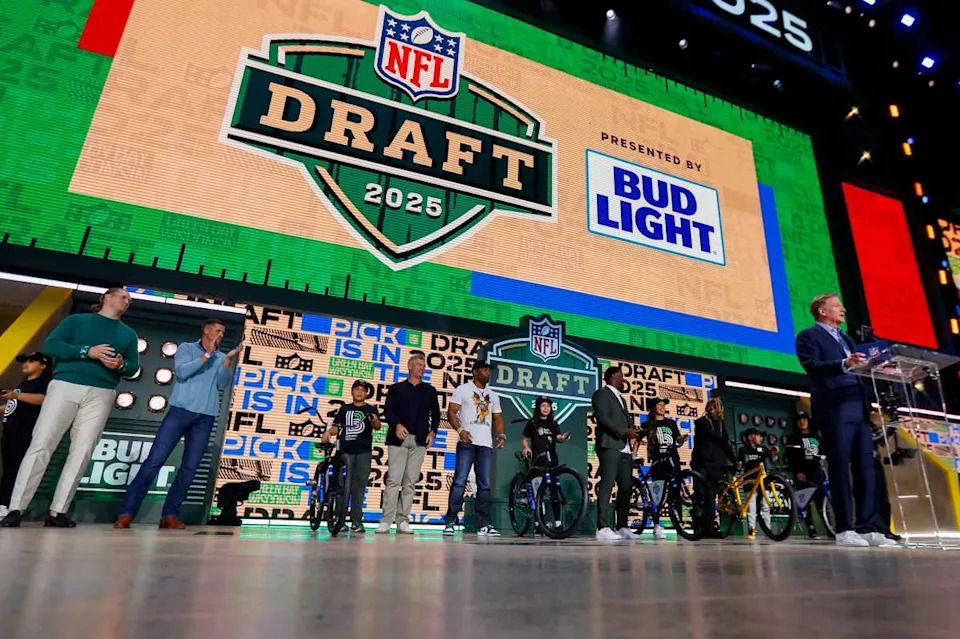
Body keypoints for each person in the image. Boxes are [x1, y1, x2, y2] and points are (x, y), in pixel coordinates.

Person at [1, 287, 139, 528]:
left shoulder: (129, 334)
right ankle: (16, 508)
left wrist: (119, 364)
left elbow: (132, 367)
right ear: (106, 297)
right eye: (123, 296)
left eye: (129, 300)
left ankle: (58, 511)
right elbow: (52, 346)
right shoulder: (77, 321)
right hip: (65, 385)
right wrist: (88, 352)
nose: (127, 301)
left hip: (102, 392)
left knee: (82, 451)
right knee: (42, 444)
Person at [114, 319, 242, 529]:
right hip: (179, 412)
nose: (221, 335)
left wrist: (226, 364)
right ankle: (126, 513)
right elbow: (182, 372)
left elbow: (222, 383)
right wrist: (207, 355)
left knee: (190, 468)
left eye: (224, 332)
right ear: (206, 330)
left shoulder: (221, 357)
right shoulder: (187, 348)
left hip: (205, 417)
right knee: (154, 460)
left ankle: (170, 515)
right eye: (218, 331)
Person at [795, 293, 895, 547]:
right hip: (834, 407)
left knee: (866, 468)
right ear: (822, 311)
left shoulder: (848, 339)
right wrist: (843, 363)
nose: (844, 309)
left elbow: (860, 369)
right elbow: (812, 365)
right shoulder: (808, 336)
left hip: (858, 407)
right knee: (839, 468)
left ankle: (868, 526)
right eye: (837, 306)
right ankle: (844, 529)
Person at [377, 353, 441, 534]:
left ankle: (403, 520)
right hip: (399, 439)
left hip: (419, 440)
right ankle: (386, 520)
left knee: (410, 482)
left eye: (424, 365)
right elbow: (388, 411)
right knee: (393, 480)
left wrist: (433, 431)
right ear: (410, 366)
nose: (422, 368)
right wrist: (396, 425)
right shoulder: (397, 389)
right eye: (419, 364)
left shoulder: (430, 391)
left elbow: (436, 414)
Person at [444, 360, 505, 536]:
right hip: (467, 443)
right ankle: (450, 521)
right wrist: (460, 430)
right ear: (475, 372)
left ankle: (483, 524)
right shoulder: (462, 389)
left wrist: (501, 435)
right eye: (485, 370)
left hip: (485, 444)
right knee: (459, 481)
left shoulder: (493, 395)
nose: (488, 373)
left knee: (484, 485)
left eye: (489, 370)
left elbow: (498, 418)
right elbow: (451, 412)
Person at [321, 379, 380, 533]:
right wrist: (328, 432)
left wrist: (374, 419)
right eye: (357, 389)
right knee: (339, 486)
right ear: (352, 391)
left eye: (363, 390)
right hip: (344, 452)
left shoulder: (370, 408)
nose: (360, 392)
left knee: (358, 488)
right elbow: (336, 427)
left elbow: (377, 426)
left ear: (367, 393)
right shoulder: (344, 409)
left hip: (363, 453)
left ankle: (356, 521)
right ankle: (339, 521)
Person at [0, 353, 53, 519]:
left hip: (24, 434)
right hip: (9, 433)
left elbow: (42, 400)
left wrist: (15, 395)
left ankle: (7, 506)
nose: (26, 364)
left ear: (43, 365)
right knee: (8, 469)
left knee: (15, 470)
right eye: (25, 361)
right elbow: (15, 405)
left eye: (31, 361)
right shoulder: (23, 383)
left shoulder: (44, 382)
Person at [591, 366, 638, 541]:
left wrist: (633, 430)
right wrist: (624, 432)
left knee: (626, 487)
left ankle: (622, 526)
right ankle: (602, 527)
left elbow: (624, 421)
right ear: (611, 377)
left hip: (624, 447)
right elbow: (603, 419)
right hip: (609, 444)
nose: (623, 380)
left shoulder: (622, 399)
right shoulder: (601, 394)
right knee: (607, 484)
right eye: (620, 376)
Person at [521, 396, 571, 530]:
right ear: (538, 408)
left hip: (552, 461)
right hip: (538, 462)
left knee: (554, 493)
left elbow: (558, 437)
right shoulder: (532, 423)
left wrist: (564, 437)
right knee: (538, 494)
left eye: (548, 406)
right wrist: (526, 448)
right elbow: (525, 438)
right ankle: (539, 524)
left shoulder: (553, 424)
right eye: (543, 406)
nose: (546, 408)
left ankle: (558, 523)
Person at [691, 397, 735, 538]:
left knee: (711, 498)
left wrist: (735, 460)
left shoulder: (721, 424)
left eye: (714, 407)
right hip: (701, 464)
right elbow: (713, 437)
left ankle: (709, 528)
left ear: (719, 409)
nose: (711, 409)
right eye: (709, 406)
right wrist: (725, 441)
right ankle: (699, 527)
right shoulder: (701, 422)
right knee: (700, 496)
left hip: (715, 466)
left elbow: (726, 445)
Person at [644, 397, 687, 540]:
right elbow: (639, 439)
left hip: (673, 461)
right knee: (657, 495)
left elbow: (678, 439)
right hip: (658, 462)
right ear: (653, 408)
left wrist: (681, 440)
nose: (662, 407)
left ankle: (679, 525)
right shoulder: (648, 424)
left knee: (676, 493)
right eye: (659, 405)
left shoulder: (671, 423)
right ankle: (656, 525)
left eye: (663, 405)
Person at [784, 411, 825, 538]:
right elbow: (790, 457)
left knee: (822, 502)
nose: (802, 422)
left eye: (804, 419)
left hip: (817, 472)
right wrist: (797, 472)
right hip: (803, 473)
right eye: (799, 420)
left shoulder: (816, 436)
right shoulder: (793, 438)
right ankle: (811, 529)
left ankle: (829, 528)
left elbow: (822, 452)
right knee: (805, 502)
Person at [739, 428, 770, 541]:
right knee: (751, 506)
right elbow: (740, 463)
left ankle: (768, 529)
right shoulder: (743, 450)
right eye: (757, 435)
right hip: (750, 481)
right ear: (750, 437)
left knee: (766, 506)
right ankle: (751, 529)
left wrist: (774, 452)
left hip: (763, 481)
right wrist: (738, 464)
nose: (760, 438)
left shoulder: (763, 449)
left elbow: (771, 455)